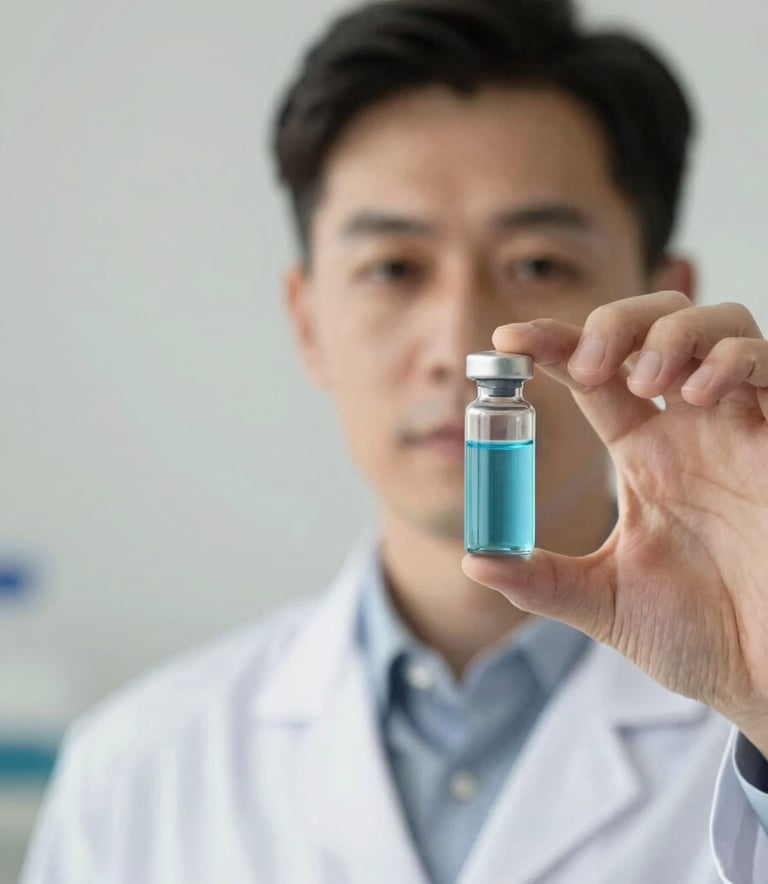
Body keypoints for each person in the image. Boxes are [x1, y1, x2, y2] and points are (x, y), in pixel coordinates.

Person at [20, 1, 768, 882]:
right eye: (393, 270)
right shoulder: (137, 768)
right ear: (307, 322)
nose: (461, 342)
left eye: (538, 264)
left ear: (661, 294)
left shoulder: (749, 701)